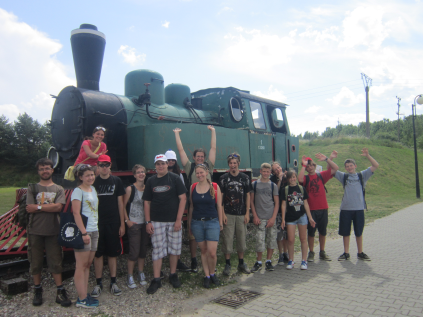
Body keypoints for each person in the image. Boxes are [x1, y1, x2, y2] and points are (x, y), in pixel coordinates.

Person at [26, 158, 71, 307]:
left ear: (52, 170)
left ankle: (60, 290)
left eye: (47, 168)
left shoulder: (58, 188)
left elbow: (58, 207)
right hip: (35, 230)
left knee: (56, 261)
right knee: (35, 261)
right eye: (41, 169)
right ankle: (38, 289)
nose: (45, 171)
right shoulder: (32, 188)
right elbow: (29, 208)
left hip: (53, 230)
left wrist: (38, 207)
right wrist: (48, 207)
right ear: (38, 171)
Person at [174, 125, 216, 273]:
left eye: (201, 156)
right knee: (192, 235)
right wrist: (177, 134)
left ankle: (210, 265)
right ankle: (194, 260)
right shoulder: (189, 167)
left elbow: (213, 148)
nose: (200, 158)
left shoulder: (209, 166)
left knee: (209, 237)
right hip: (195, 205)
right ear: (194, 158)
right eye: (197, 156)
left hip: (209, 206)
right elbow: (181, 151)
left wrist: (213, 132)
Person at [144, 154, 187, 295]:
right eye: (158, 164)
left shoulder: (175, 178)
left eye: (163, 163)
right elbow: (147, 202)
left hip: (173, 220)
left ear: (167, 164)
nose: (161, 166)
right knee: (157, 250)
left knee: (174, 249)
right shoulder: (150, 181)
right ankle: (156, 279)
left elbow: (183, 198)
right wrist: (148, 221)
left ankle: (173, 274)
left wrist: (179, 219)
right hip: (156, 221)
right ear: (155, 166)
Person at [334, 148, 379, 261]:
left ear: (355, 165)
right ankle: (346, 253)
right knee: (345, 232)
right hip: (345, 209)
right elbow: (332, 170)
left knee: (359, 232)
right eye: (347, 166)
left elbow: (375, 165)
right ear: (345, 168)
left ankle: (360, 253)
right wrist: (329, 159)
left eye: (351, 165)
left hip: (359, 209)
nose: (349, 167)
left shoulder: (362, 175)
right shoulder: (343, 176)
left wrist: (368, 155)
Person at [91, 155, 126, 298]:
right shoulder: (93, 182)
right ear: (98, 166)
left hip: (113, 222)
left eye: (106, 164)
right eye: (101, 165)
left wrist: (122, 223)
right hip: (97, 223)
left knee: (113, 253)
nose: (104, 167)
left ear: (110, 165)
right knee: (97, 254)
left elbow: (120, 203)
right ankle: (98, 283)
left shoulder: (117, 181)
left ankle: (113, 281)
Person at [298, 151, 339, 262]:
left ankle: (322, 252)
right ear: (306, 168)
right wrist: (303, 165)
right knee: (311, 232)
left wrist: (327, 159)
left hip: (323, 208)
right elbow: (300, 180)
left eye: (312, 165)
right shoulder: (306, 178)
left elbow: (335, 168)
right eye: (308, 166)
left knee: (323, 231)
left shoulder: (321, 176)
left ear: (315, 166)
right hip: (311, 210)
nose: (310, 167)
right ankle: (311, 252)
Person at [188, 164, 223, 288]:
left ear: (207, 172)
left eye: (201, 172)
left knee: (212, 253)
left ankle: (213, 273)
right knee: (203, 251)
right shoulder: (193, 187)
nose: (199, 175)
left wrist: (220, 223)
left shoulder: (214, 186)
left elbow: (219, 206)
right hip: (197, 223)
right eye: (197, 173)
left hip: (212, 222)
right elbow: (191, 207)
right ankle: (207, 275)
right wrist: (189, 224)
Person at [71, 164, 99, 308]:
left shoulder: (93, 189)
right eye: (87, 175)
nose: (90, 177)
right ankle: (81, 299)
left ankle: (84, 293)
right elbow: (76, 213)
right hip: (85, 231)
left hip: (95, 230)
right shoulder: (78, 191)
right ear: (80, 177)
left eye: (92, 175)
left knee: (88, 264)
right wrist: (83, 233)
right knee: (81, 265)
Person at [219, 153, 252, 276]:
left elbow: (248, 195)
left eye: (235, 163)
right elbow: (221, 197)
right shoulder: (223, 178)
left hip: (241, 213)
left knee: (241, 239)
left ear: (238, 163)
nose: (233, 165)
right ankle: (227, 264)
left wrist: (247, 213)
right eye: (231, 163)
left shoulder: (244, 178)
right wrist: (222, 214)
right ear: (228, 164)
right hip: (228, 213)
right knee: (227, 240)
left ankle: (241, 263)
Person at [281, 170, 316, 270]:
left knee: (303, 239)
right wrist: (283, 219)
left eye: (294, 177)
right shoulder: (285, 190)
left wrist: (310, 217)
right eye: (290, 177)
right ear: (288, 179)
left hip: (302, 216)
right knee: (291, 240)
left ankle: (304, 261)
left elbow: (305, 203)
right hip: (290, 217)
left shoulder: (301, 188)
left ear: (296, 177)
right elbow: (283, 205)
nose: (292, 179)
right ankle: (291, 260)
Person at [250, 163, 279, 272]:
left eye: (268, 171)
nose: (266, 173)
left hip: (270, 217)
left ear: (270, 172)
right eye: (264, 171)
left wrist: (273, 218)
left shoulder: (273, 185)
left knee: (271, 240)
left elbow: (276, 203)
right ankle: (258, 262)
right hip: (260, 218)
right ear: (260, 172)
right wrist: (255, 216)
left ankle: (268, 261)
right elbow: (251, 202)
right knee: (259, 240)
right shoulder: (255, 185)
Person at [123, 164, 148, 288]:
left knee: (143, 250)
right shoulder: (130, 189)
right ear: (134, 175)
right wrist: (127, 220)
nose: (141, 174)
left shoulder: (147, 188)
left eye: (142, 171)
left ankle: (141, 272)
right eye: (138, 172)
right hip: (134, 223)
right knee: (134, 251)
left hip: (145, 223)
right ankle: (130, 275)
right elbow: (122, 205)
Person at [165, 149, 190, 272]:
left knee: (176, 238)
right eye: (168, 160)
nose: (170, 162)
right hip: (165, 209)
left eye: (172, 160)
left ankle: (178, 261)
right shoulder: (160, 174)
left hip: (175, 208)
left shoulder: (179, 175)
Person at [270, 162, 288, 265]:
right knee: (280, 233)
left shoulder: (288, 176)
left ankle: (286, 253)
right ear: (273, 172)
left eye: (279, 167)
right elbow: (275, 191)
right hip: (279, 211)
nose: (278, 170)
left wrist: (285, 177)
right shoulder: (272, 180)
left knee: (287, 234)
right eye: (275, 169)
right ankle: (280, 254)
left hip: (288, 210)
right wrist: (280, 180)